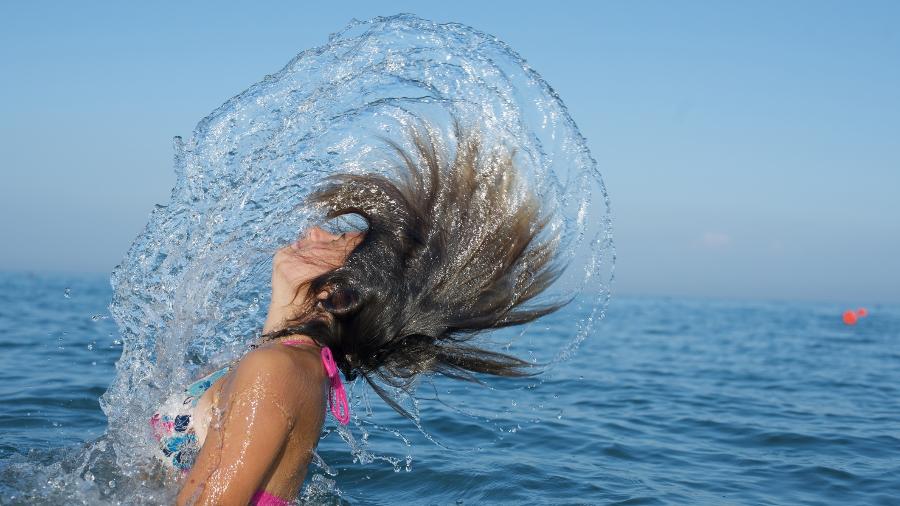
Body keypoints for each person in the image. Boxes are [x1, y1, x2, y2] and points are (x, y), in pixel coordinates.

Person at [153, 118, 566, 505]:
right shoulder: (284, 361)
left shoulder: (275, 369)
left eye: (335, 240)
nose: (313, 232)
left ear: (337, 294)